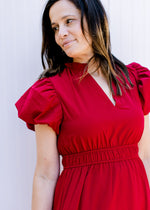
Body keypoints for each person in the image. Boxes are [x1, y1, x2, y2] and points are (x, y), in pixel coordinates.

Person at [15, 0, 150, 209]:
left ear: (95, 20)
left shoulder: (136, 80)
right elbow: (45, 175)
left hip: (134, 198)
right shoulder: (50, 92)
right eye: (55, 28)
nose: (61, 34)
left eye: (69, 21)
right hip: (81, 201)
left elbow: (145, 156)